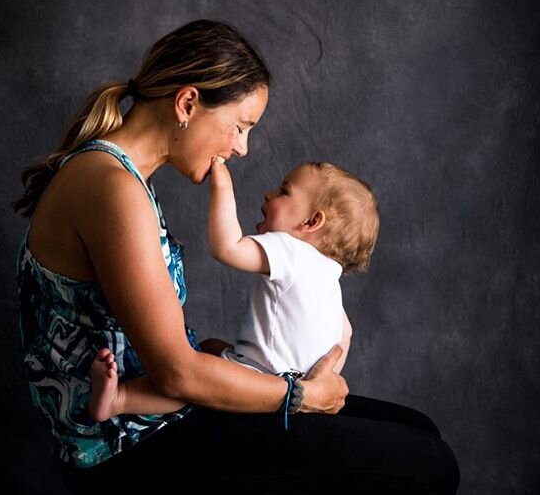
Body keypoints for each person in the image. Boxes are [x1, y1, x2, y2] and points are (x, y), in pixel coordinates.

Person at [15, 19, 459, 495]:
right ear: (187, 105)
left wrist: (232, 357)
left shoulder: (119, 177)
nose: (242, 148)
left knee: (419, 430)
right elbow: (177, 373)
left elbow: (153, 343)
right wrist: (301, 395)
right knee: (429, 467)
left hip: (161, 419)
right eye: (240, 125)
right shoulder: (112, 187)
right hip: (132, 452)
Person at [87, 159, 380, 423]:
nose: (269, 195)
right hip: (294, 387)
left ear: (311, 222)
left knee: (194, 381)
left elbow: (227, 247)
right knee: (210, 346)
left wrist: (223, 188)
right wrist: (319, 381)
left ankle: (119, 399)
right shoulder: (329, 276)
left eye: (283, 191)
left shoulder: (292, 249)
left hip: (262, 384)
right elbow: (346, 333)